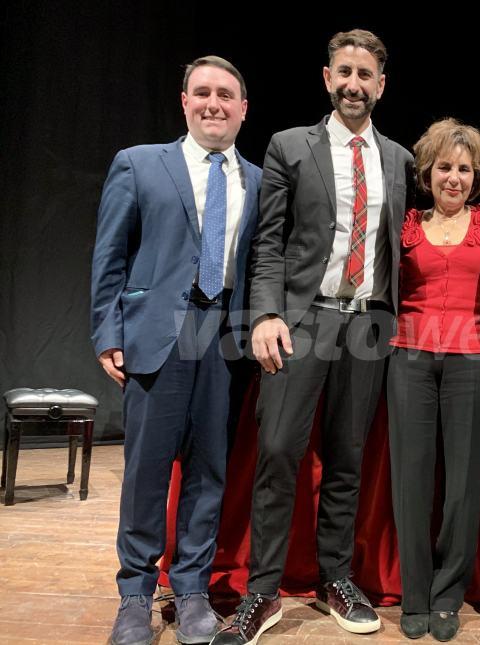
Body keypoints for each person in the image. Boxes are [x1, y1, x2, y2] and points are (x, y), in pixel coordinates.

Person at [210, 29, 414, 645]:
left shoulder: (400, 159)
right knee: (278, 453)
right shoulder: (288, 146)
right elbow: (268, 241)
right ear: (327, 78)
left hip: (368, 325)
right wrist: (267, 314)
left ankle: (336, 578)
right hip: (302, 321)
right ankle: (262, 592)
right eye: (344, 72)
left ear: (381, 84)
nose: (354, 84)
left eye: (366, 74)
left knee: (348, 458)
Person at [90, 56, 260, 645]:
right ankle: (134, 595)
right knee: (146, 473)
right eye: (203, 93)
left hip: (222, 341)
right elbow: (110, 255)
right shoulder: (139, 164)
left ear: (243, 109)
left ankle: (190, 588)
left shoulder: (257, 180)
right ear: (184, 101)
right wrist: (108, 331)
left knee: (209, 471)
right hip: (155, 337)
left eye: (226, 95)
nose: (214, 103)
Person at [387, 119, 480, 641]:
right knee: (411, 481)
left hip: (471, 359)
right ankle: (414, 594)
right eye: (444, 168)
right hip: (409, 358)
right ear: (426, 174)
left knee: (462, 485)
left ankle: (448, 595)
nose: (454, 178)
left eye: (464, 169)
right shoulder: (405, 225)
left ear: (477, 175)